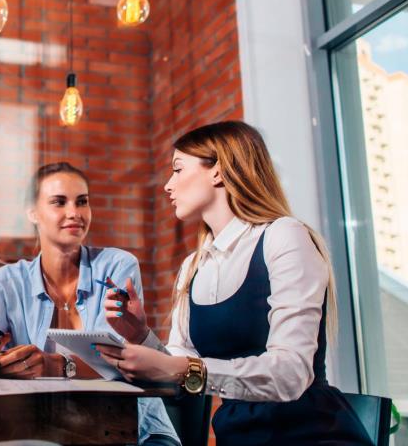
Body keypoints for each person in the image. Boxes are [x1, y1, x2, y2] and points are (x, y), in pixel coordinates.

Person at [97, 121, 372, 445]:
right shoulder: (193, 266)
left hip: (312, 435)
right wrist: (139, 334)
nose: (168, 186)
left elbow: (291, 374)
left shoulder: (283, 235)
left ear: (218, 171)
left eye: (178, 169)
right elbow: (176, 370)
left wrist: (178, 369)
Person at [0, 162, 180, 446]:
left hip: (133, 429)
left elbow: (119, 360)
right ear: (33, 213)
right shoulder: (6, 282)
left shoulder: (117, 266)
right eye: (59, 202)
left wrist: (52, 364)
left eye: (82, 202)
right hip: (45, 430)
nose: (74, 213)